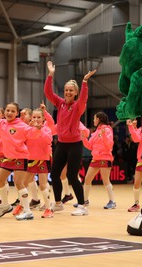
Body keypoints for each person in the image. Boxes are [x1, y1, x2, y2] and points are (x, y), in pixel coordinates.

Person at [44, 61, 96, 216]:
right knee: (54, 174)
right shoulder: (59, 103)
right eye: (66, 90)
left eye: (71, 90)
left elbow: (84, 98)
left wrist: (85, 81)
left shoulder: (78, 106)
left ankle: (82, 206)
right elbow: (48, 93)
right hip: (61, 144)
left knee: (72, 176)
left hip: (74, 145)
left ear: (75, 92)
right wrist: (50, 75)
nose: (67, 92)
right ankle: (58, 203)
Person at [0, 102, 42, 220]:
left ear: (16, 113)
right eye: (7, 110)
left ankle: (27, 211)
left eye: (12, 111)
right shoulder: (1, 123)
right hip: (8, 157)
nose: (9, 113)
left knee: (18, 183)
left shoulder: (21, 125)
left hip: (20, 156)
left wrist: (36, 129)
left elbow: (33, 135)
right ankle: (5, 206)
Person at [81, 111, 116, 209]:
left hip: (105, 157)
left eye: (94, 118)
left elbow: (109, 145)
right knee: (87, 179)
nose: (93, 120)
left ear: (99, 119)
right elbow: (90, 146)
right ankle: (85, 200)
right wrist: (83, 138)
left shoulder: (108, 130)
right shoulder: (95, 132)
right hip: (95, 158)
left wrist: (104, 135)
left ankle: (112, 201)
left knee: (105, 180)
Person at [126, 119, 142, 212]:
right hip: (141, 159)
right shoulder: (141, 129)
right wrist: (132, 127)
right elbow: (136, 139)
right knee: (136, 183)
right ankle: (136, 204)